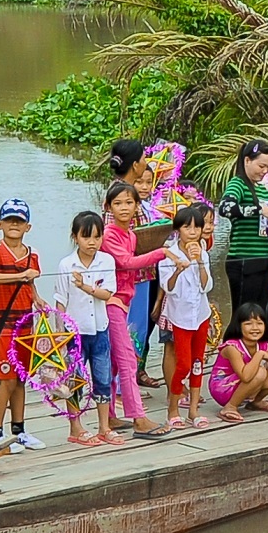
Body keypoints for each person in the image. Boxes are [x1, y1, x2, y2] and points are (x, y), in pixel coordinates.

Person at [101, 180, 173, 438]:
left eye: (129, 203)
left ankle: (109, 415)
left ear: (137, 206)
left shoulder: (130, 235)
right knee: (128, 360)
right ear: (108, 206)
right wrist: (162, 252)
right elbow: (126, 262)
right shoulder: (109, 233)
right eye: (118, 203)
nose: (124, 208)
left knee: (115, 363)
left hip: (122, 302)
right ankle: (138, 418)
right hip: (109, 303)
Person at [0, 198, 48, 451]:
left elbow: (29, 282)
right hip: (2, 326)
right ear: (0, 224)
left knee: (20, 379)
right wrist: (18, 275)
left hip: (25, 325)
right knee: (5, 380)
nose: (14, 224)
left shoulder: (33, 253)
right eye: (9, 220)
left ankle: (19, 430)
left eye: (19, 221)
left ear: (27, 226)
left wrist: (37, 298)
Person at [53, 210, 121, 447]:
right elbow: (60, 301)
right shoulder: (65, 264)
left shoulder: (107, 261)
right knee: (74, 380)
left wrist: (85, 286)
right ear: (75, 237)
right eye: (86, 237)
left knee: (102, 378)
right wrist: (59, 335)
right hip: (75, 332)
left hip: (100, 328)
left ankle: (104, 426)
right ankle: (76, 427)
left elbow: (107, 293)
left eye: (97, 237)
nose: (92, 242)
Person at [108, 139, 164, 390]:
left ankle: (126, 382)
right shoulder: (122, 194)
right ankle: (121, 385)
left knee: (136, 329)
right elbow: (114, 236)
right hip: (130, 274)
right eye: (142, 159)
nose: (145, 164)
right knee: (130, 329)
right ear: (134, 164)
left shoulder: (125, 190)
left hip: (141, 271)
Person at [159, 204, 214, 429]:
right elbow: (168, 287)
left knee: (198, 362)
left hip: (201, 314)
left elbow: (206, 286)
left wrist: (199, 261)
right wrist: (179, 268)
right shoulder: (168, 255)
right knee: (183, 364)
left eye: (196, 228)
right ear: (177, 230)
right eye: (186, 227)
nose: (192, 232)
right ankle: (172, 409)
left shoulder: (203, 252)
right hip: (180, 317)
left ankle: (193, 411)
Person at [217, 139, 268, 313]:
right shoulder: (237, 184)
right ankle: (233, 341)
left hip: (264, 258)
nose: (265, 171)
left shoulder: (262, 189)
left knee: (259, 314)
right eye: (261, 166)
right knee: (243, 314)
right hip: (244, 259)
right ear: (247, 160)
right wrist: (259, 209)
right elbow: (225, 208)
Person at [209, 303, 268, 422]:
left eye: (259, 323)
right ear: (239, 326)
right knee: (260, 372)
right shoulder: (233, 347)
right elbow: (245, 376)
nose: (255, 328)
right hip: (223, 387)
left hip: (241, 384)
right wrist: (259, 355)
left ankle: (256, 402)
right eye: (248, 324)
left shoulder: (264, 346)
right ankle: (230, 406)